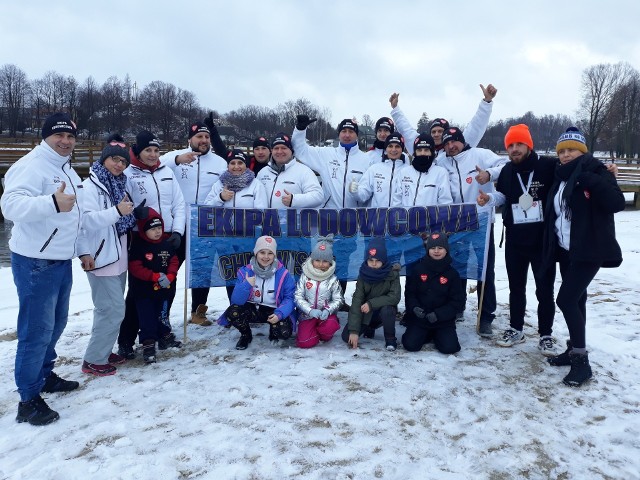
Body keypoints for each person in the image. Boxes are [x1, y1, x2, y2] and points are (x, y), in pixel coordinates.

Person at [1, 112, 82, 425]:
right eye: (58, 136)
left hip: (60, 258)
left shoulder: (64, 166)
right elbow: (10, 206)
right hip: (35, 260)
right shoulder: (31, 165)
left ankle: (45, 375)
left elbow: (77, 211)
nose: (65, 141)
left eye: (70, 137)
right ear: (46, 136)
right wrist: (51, 202)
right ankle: (28, 398)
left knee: (56, 324)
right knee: (35, 331)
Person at [542, 127, 625, 387]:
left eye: (571, 150)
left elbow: (616, 203)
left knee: (565, 299)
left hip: (590, 249)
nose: (566, 155)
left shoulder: (597, 172)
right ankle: (573, 348)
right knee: (577, 301)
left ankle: (581, 362)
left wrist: (596, 180)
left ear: (583, 151)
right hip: (567, 249)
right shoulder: (560, 175)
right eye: (562, 151)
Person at [476, 124, 559, 354]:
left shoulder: (548, 166)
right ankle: (516, 328)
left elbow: (573, 171)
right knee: (516, 288)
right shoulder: (507, 171)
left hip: (542, 241)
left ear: (528, 145)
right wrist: (489, 199)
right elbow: (504, 195)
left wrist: (604, 171)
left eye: (519, 144)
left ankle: (545, 334)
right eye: (510, 145)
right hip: (514, 240)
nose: (514, 149)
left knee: (544, 290)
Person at [117, 130, 185, 359]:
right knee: (138, 292)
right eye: (148, 150)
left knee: (167, 287)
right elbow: (122, 205)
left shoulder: (167, 172)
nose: (153, 155)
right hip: (141, 238)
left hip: (166, 237)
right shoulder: (128, 173)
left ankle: (162, 331)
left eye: (156, 151)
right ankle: (127, 338)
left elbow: (179, 204)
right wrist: (135, 214)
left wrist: (178, 231)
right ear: (138, 151)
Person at [440, 127, 507, 336]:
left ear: (462, 141)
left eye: (455, 141)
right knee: (457, 268)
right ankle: (457, 307)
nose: (451, 146)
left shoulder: (481, 154)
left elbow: (506, 165)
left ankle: (486, 315)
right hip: (456, 224)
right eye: (447, 143)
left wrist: (489, 175)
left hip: (482, 221)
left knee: (484, 269)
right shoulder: (442, 161)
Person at [77, 134, 136, 376]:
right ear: (103, 160)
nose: (119, 165)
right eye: (114, 159)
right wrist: (117, 212)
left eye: (123, 162)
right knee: (111, 309)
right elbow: (84, 221)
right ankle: (93, 360)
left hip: (118, 257)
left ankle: (103, 350)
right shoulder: (89, 186)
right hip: (101, 258)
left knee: (111, 307)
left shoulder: (119, 183)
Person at [160, 120, 227, 326]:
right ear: (190, 139)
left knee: (201, 271)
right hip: (179, 223)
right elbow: (156, 163)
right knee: (170, 269)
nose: (204, 140)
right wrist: (179, 159)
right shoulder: (176, 157)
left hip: (206, 224)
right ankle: (163, 314)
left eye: (207, 137)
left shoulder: (219, 163)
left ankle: (198, 312)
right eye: (199, 136)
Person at [223, 236, 296, 350]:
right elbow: (236, 301)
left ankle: (274, 330)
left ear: (275, 255)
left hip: (273, 310)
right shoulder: (245, 271)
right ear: (256, 253)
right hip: (252, 309)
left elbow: (290, 298)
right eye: (262, 252)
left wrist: (280, 313)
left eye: (270, 253)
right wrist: (246, 285)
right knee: (232, 312)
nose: (266, 257)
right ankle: (246, 335)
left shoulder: (283, 274)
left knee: (284, 333)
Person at [128, 208, 182, 364]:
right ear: (145, 230)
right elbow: (135, 267)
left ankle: (165, 335)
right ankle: (148, 344)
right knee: (147, 318)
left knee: (162, 314)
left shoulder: (167, 242)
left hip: (164, 290)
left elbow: (173, 261)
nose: (157, 231)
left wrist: (171, 275)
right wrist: (154, 276)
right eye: (153, 229)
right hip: (144, 292)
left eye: (159, 227)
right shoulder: (139, 245)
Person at [388, 84, 498, 159]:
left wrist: (486, 102)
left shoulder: (458, 147)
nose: (436, 134)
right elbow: (406, 130)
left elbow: (476, 127)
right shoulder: (422, 147)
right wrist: (395, 109)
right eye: (434, 132)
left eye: (440, 131)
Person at [402, 232, 465, 354]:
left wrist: (439, 314)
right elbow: (410, 293)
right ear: (427, 250)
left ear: (446, 250)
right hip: (421, 319)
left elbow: (457, 301)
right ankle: (425, 334)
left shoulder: (452, 274)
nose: (436, 251)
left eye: (440, 248)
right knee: (410, 345)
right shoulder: (418, 270)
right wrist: (414, 308)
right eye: (432, 248)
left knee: (450, 348)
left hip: (443, 321)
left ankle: (438, 335)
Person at [292, 116, 372, 209]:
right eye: (344, 131)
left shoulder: (367, 160)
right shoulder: (326, 154)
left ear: (357, 135)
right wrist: (300, 130)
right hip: (329, 216)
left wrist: (357, 192)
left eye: (351, 132)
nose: (347, 135)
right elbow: (300, 151)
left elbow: (367, 193)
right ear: (339, 134)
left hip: (355, 218)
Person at [341, 237, 401, 351]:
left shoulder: (392, 275)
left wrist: (371, 303)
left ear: (383, 261)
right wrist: (354, 331)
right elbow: (357, 300)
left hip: (382, 313)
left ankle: (390, 339)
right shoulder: (363, 275)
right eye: (371, 260)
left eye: (377, 260)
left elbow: (394, 297)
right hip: (366, 313)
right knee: (346, 337)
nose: (374, 263)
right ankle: (368, 328)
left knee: (388, 310)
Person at [295, 234, 343, 348]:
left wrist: (328, 310)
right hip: (307, 315)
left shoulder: (333, 279)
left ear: (330, 262)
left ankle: (324, 332)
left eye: (325, 261)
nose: (321, 264)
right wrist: (310, 310)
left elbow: (339, 299)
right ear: (312, 260)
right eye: (317, 260)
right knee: (304, 343)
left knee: (329, 328)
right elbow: (298, 296)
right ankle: (312, 332)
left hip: (325, 316)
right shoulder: (305, 276)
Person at [256, 133, 324, 209]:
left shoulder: (304, 171)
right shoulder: (262, 173)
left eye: (284, 148)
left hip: (293, 220)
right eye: (276, 148)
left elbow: (318, 196)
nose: (279, 151)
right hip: (268, 220)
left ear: (291, 151)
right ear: (271, 151)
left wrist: (294, 200)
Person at [392, 133, 453, 207]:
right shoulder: (404, 172)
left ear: (432, 152)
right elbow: (397, 200)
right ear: (415, 152)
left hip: (431, 218)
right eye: (419, 150)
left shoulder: (440, 173)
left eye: (426, 150)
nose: (422, 153)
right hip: (407, 217)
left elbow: (445, 203)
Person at [350, 132, 408, 207]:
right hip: (378, 217)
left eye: (397, 146)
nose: (393, 150)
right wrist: (356, 192)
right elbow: (364, 194)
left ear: (402, 149)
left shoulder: (408, 171)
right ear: (386, 148)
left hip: (399, 217)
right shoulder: (375, 169)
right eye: (390, 146)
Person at [205, 112, 271, 175]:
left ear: (270, 150)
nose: (260, 152)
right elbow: (222, 151)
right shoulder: (247, 161)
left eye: (264, 148)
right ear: (253, 151)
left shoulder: (276, 164)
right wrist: (212, 130)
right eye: (257, 149)